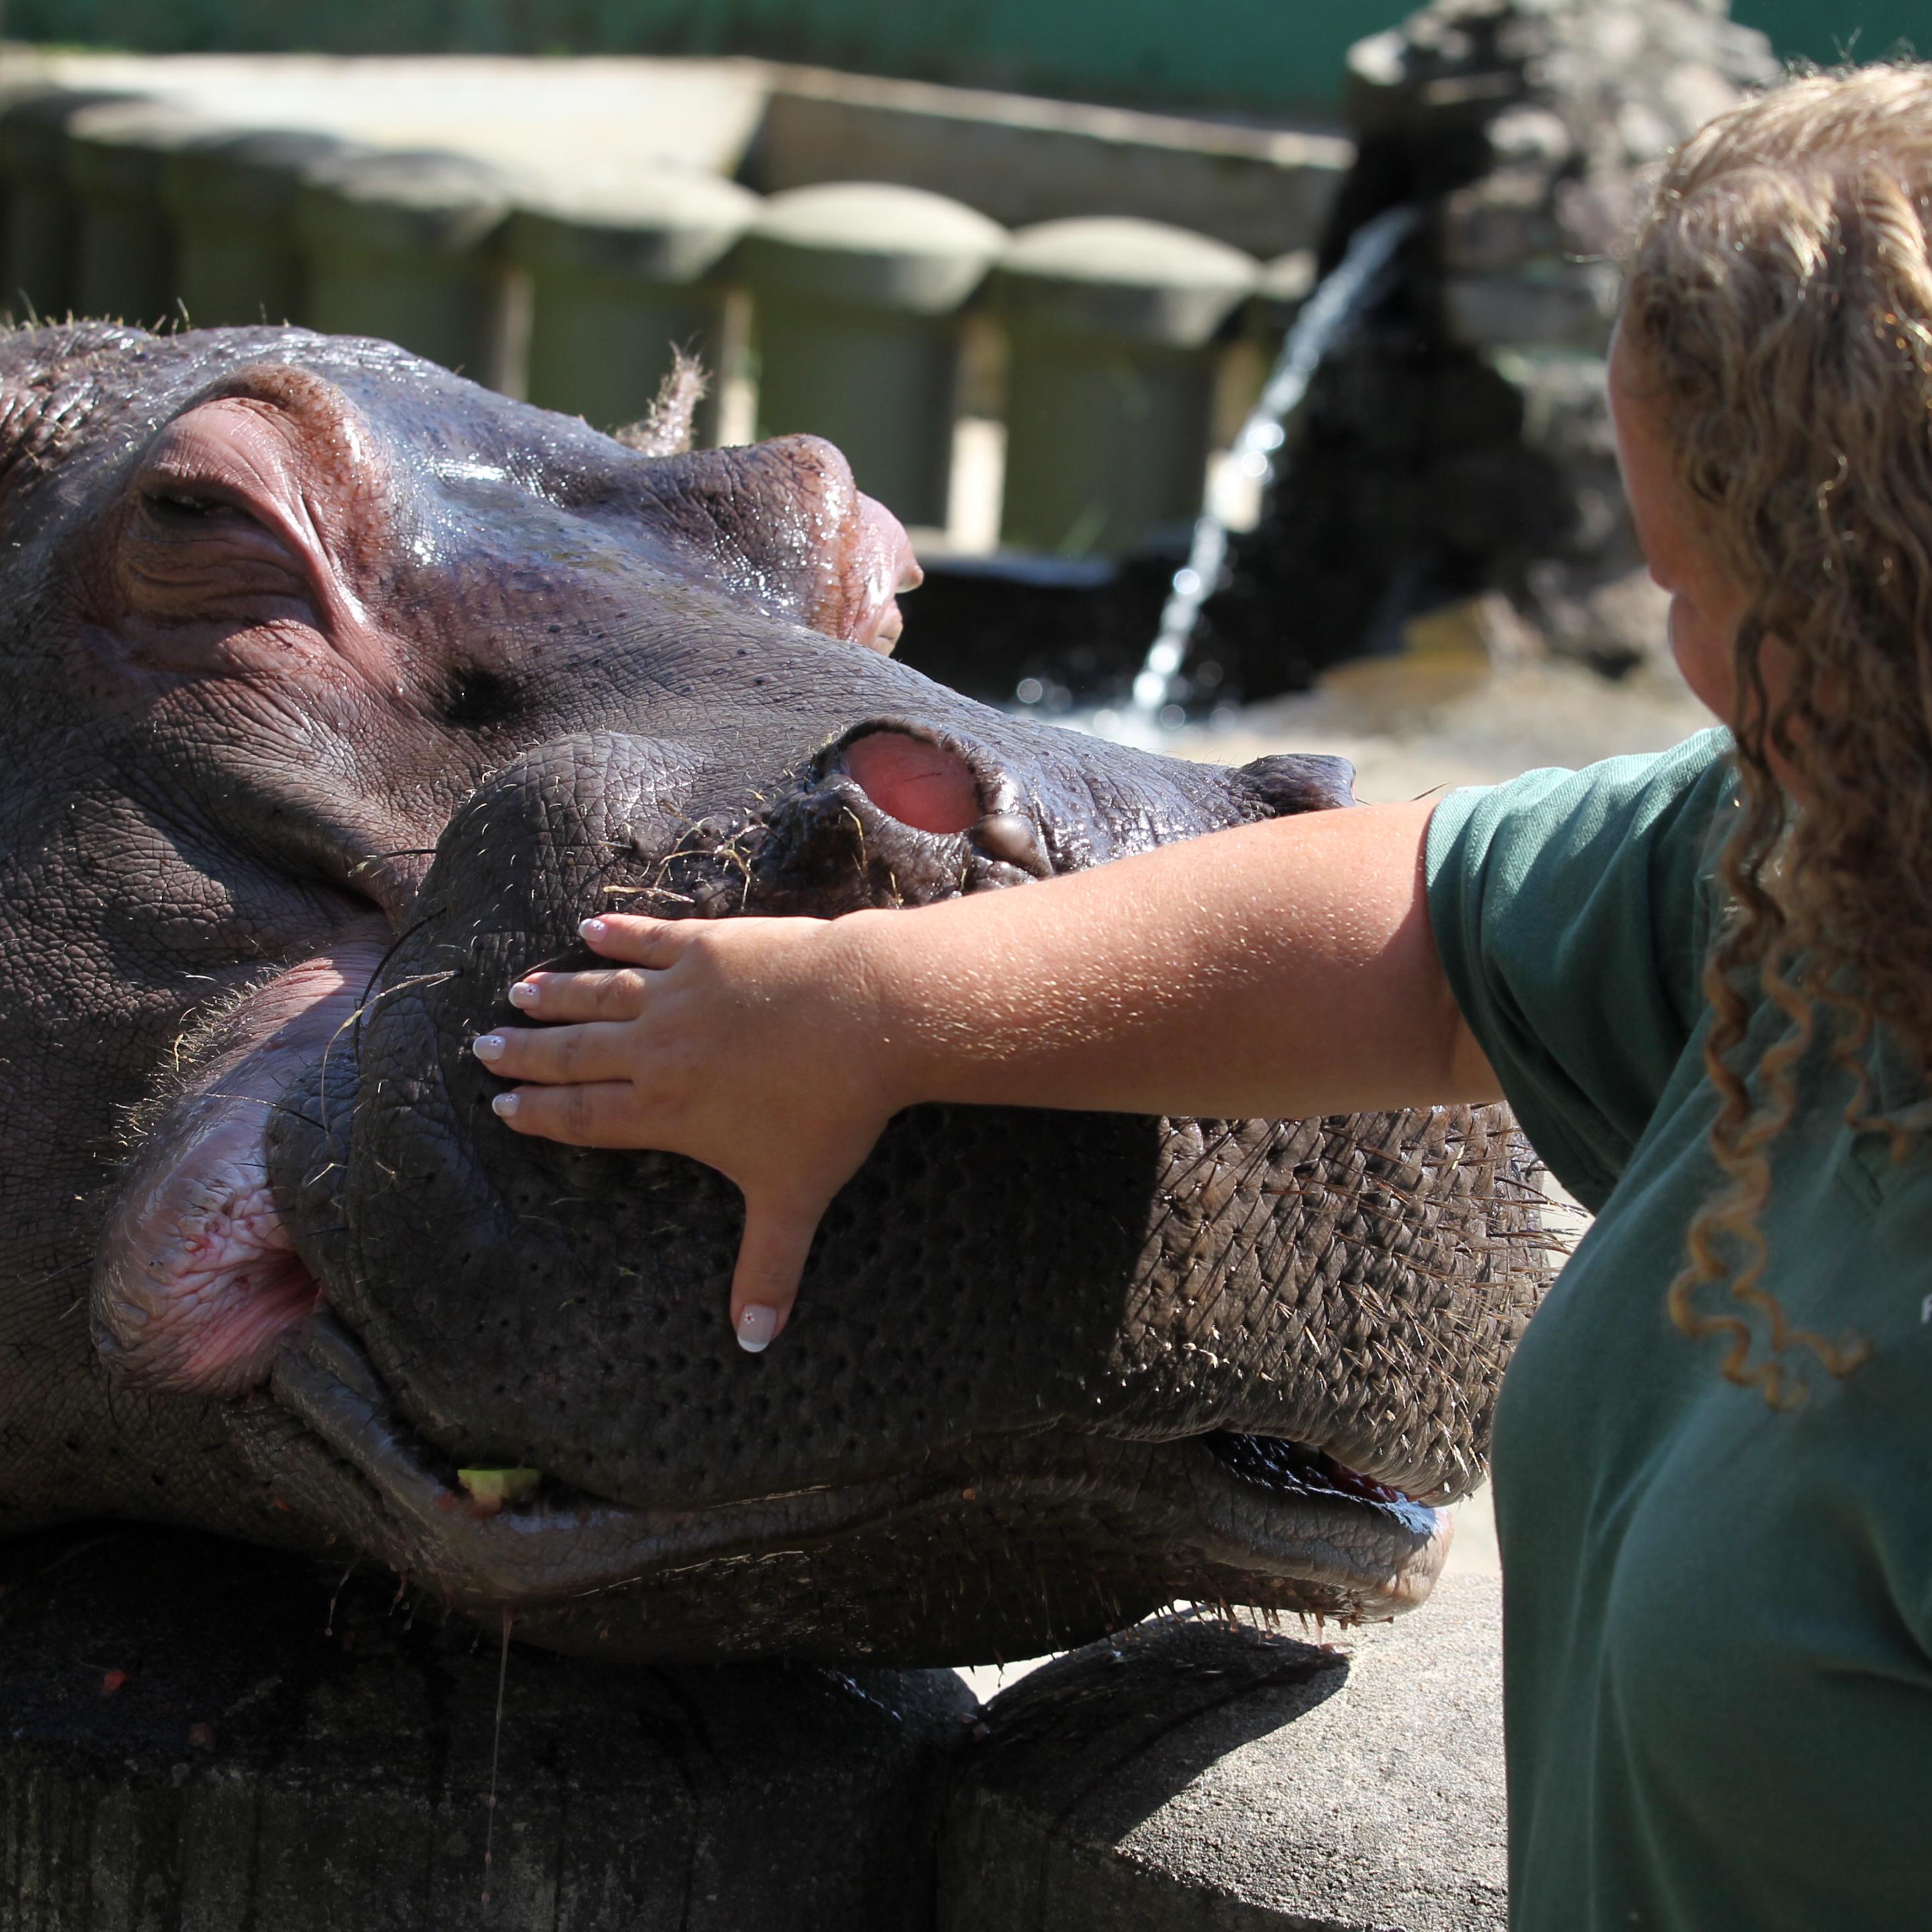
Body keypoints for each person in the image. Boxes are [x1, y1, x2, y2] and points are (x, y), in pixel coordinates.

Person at [466, 66, 1932, 1930]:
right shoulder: (1823, 857)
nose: (1674, 654)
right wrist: (871, 1003)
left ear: (1861, 612)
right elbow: (1426, 924)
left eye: (1695, 589)